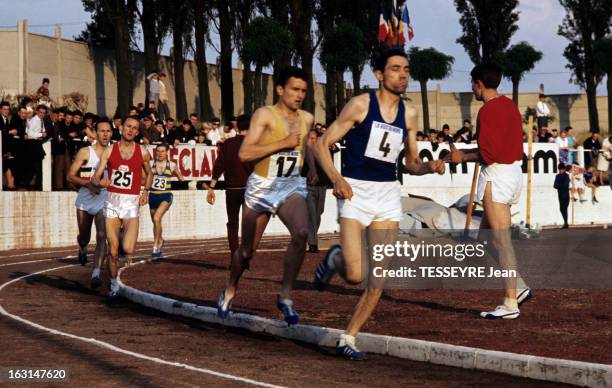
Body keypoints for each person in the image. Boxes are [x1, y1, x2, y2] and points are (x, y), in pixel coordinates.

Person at [312, 49, 445, 360]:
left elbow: (411, 163)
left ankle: (348, 337)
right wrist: (336, 179)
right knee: (356, 275)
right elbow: (322, 144)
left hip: (387, 195)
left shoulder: (410, 114)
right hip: (355, 192)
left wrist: (430, 167)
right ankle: (335, 259)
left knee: (378, 279)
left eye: (406, 69)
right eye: (395, 69)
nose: (403, 75)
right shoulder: (360, 104)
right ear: (379, 74)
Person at [216, 66, 313, 326]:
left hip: (290, 186)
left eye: (303, 90)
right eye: (294, 89)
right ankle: (230, 288)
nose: (299, 95)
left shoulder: (307, 118)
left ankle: (285, 296)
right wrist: (282, 143)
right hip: (262, 188)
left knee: (302, 233)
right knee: (247, 251)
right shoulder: (265, 115)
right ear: (280, 89)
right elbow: (245, 153)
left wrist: (313, 169)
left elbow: (306, 148)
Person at [449, 62, 532, 320]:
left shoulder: (486, 112)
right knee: (486, 238)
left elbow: (488, 153)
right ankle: (516, 288)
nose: (471, 88)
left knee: (500, 240)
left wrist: (461, 156)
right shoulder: (510, 106)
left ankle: (510, 302)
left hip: (497, 176)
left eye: (472, 84)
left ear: (479, 84)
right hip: (512, 175)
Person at [92, 117, 152, 299]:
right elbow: (96, 177)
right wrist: (103, 181)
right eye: (128, 127)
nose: (131, 130)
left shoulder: (142, 152)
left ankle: (120, 237)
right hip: (112, 203)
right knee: (112, 251)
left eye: (135, 128)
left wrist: (145, 191)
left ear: (137, 132)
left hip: (131, 204)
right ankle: (113, 285)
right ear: (121, 128)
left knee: (128, 249)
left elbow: (149, 173)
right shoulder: (110, 150)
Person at [67, 119, 113, 288]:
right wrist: (89, 184)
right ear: (95, 133)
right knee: (84, 235)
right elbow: (70, 176)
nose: (106, 134)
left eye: (108, 131)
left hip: (103, 200)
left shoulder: (114, 152)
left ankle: (96, 273)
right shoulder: (85, 152)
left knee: (102, 235)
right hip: (85, 200)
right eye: (102, 131)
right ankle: (83, 247)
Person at [207, 114, 254, 262]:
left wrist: (211, 188)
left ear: (236, 127)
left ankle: (234, 254)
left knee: (232, 223)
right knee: (249, 223)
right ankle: (246, 255)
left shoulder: (228, 143)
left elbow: (219, 165)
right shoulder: (255, 144)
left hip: (232, 189)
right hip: (250, 189)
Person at [149, 143, 184, 257]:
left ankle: (156, 246)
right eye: (158, 151)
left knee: (156, 217)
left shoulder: (172, 165)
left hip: (165, 196)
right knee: (155, 222)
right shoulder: (151, 164)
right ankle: (161, 239)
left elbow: (180, 177)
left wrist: (181, 179)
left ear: (167, 152)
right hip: (153, 196)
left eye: (162, 151)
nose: (160, 154)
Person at [554, 163, 570, 229]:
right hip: (560, 194)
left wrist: (559, 185)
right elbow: (554, 185)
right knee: (562, 209)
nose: (561, 171)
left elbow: (565, 185)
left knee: (564, 208)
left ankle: (566, 223)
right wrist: (560, 185)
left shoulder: (566, 176)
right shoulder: (557, 176)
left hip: (565, 194)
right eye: (560, 170)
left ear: (564, 169)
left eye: (562, 169)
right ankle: (566, 223)